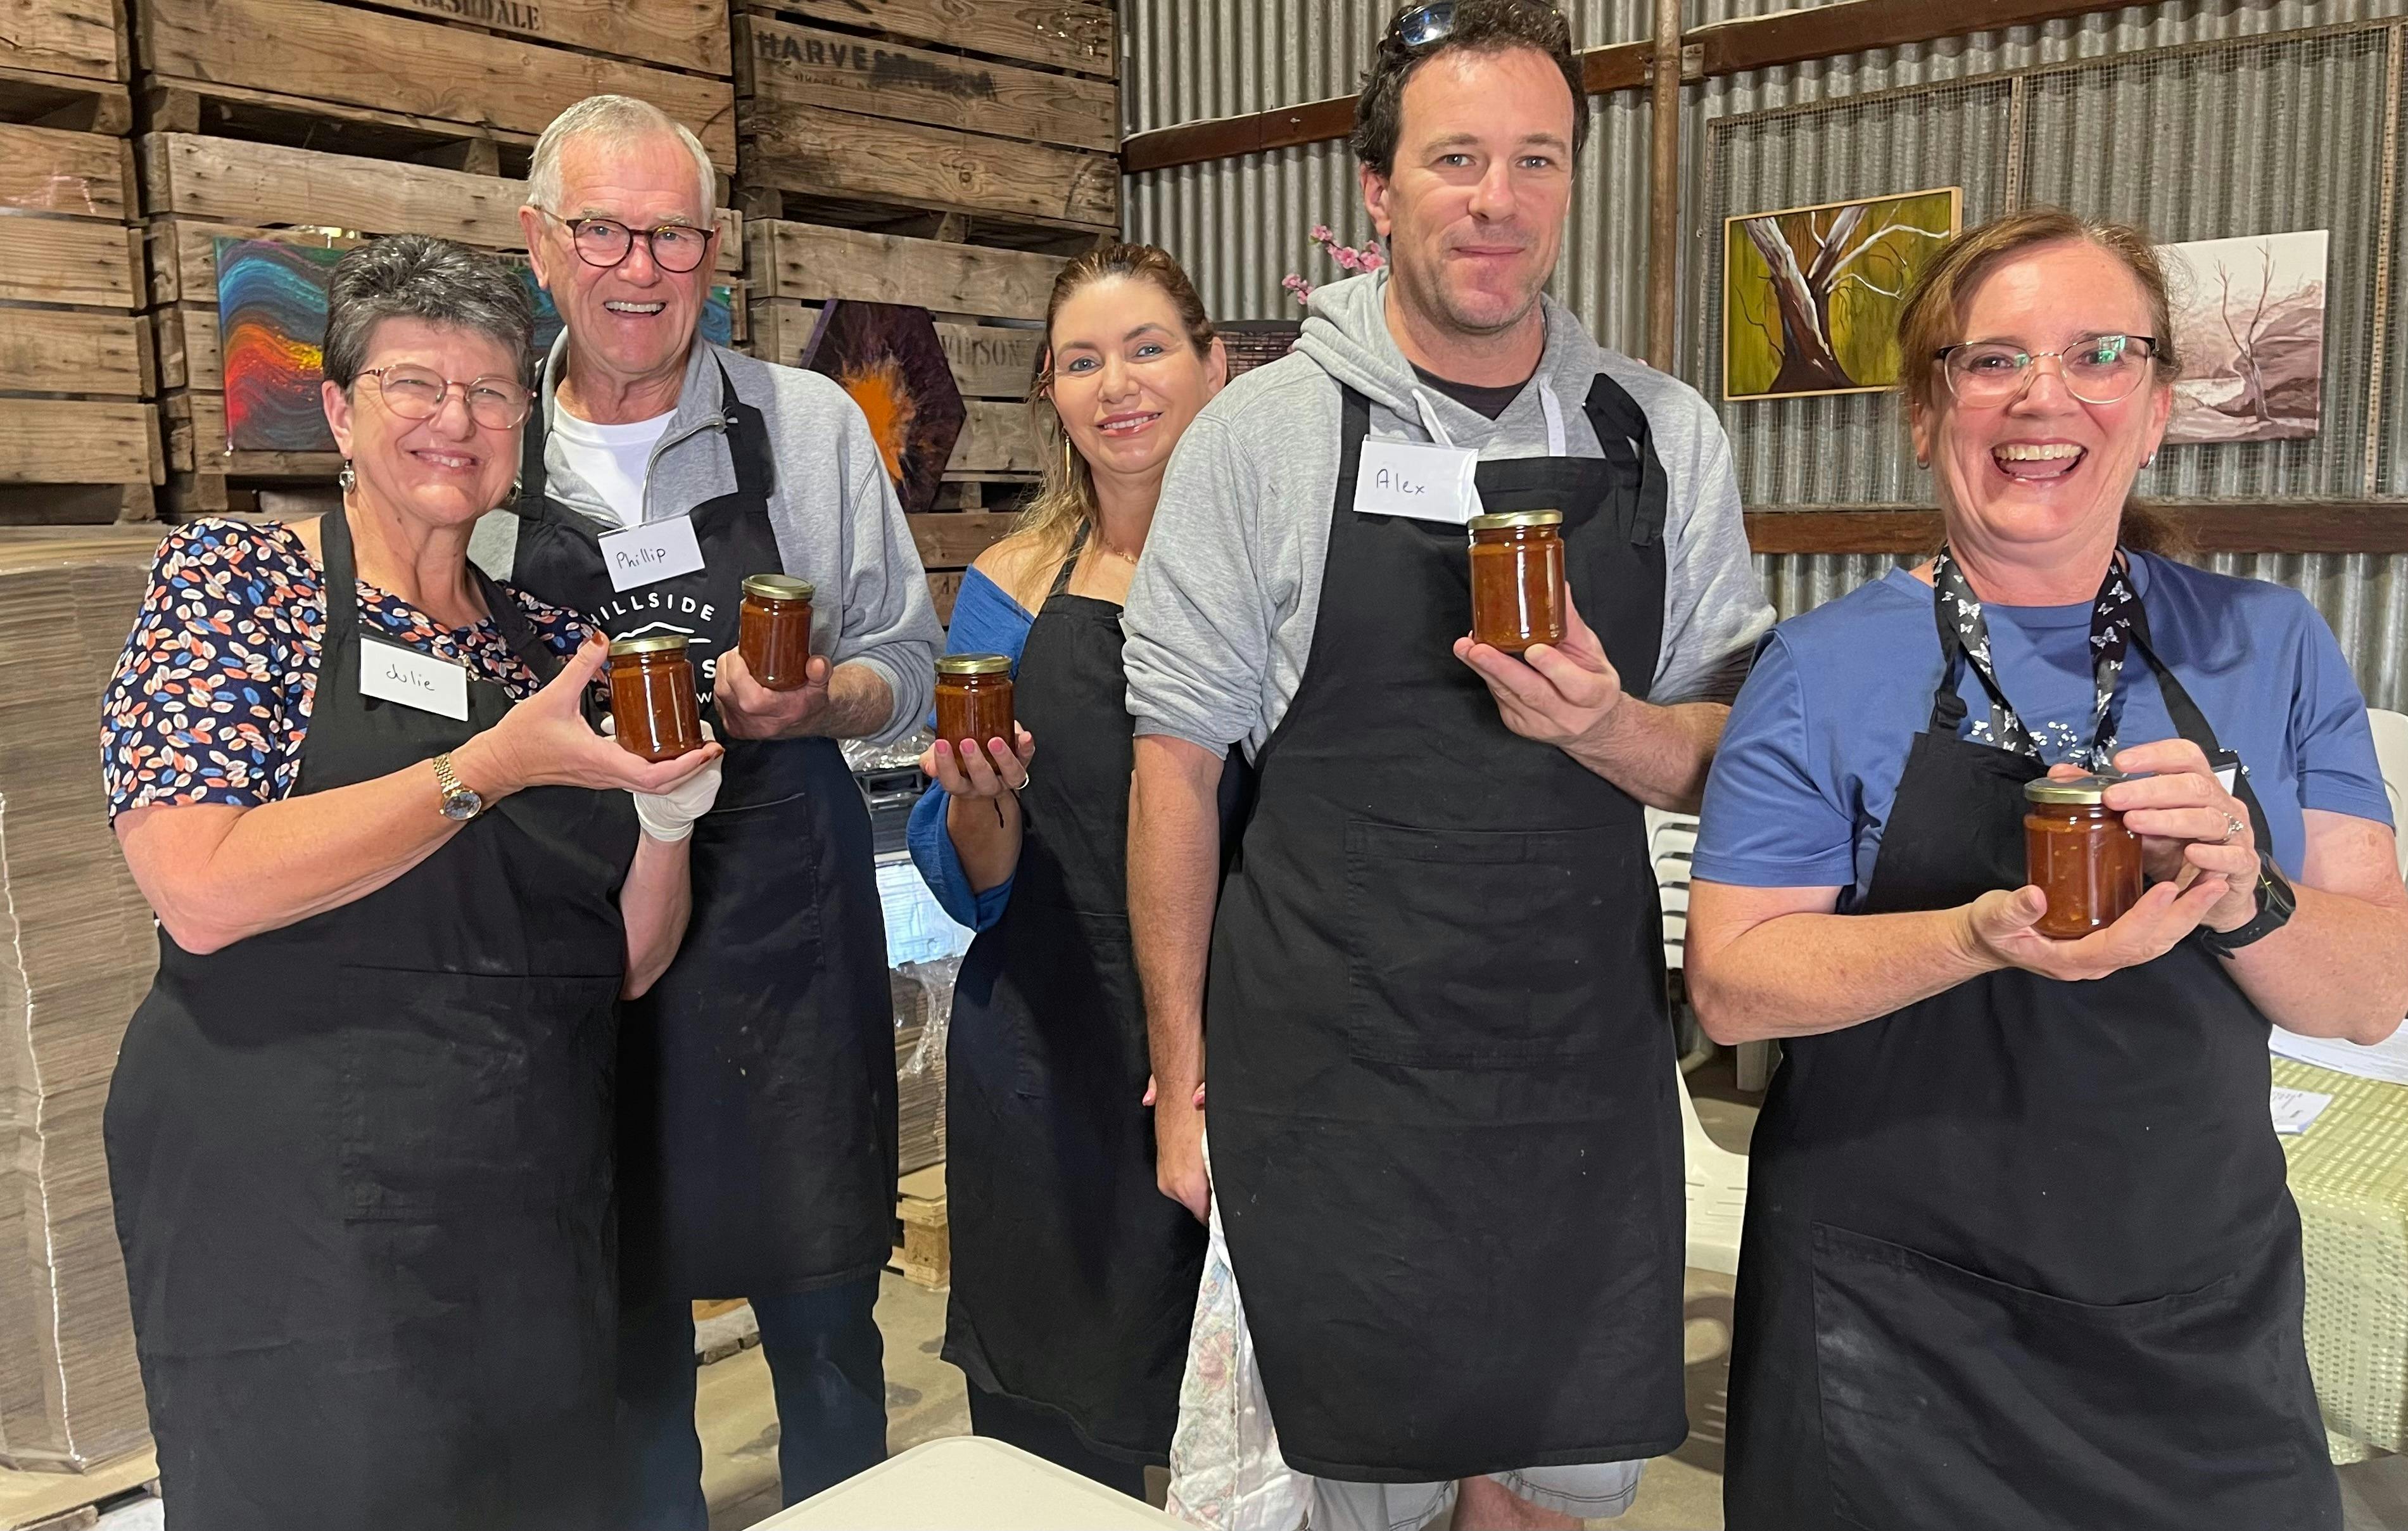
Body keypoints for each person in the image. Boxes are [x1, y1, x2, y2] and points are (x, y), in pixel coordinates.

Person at [1122, 4, 1773, 1526]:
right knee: (1363, 1491)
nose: (1495, 198)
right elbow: (1175, 769)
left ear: (1567, 185)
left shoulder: (1658, 435)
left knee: (1549, 1491)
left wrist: (1605, 726)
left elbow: (1729, 753)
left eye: (1533, 160)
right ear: (1377, 189)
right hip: (1326, 1077)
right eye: (1456, 157)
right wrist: (1176, 1074)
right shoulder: (1261, 437)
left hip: (1572, 1071)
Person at [1686, 208, 2408, 1531]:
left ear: (2154, 405)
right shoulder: (1821, 667)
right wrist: (1970, 937)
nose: (2042, 398)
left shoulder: (2268, 645)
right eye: (1990, 360)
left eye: (2095, 354)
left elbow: (2365, 996)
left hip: (2189, 1320)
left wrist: (2247, 889)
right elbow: (1731, 989)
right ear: (1924, 411)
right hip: (1884, 1331)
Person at [100, 234, 725, 1531]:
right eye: (412, 385)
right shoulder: (241, 587)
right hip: (292, 1213)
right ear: (337, 408)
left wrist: (666, 828)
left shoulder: (555, 644)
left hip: (524, 1199)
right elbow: (199, 889)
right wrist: (481, 770)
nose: (457, 419)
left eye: (492, 390)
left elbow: (620, 962)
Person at [469, 95, 942, 1524]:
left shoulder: (799, 426)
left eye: (671, 232)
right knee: (619, 1325)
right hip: (571, 940)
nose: (639, 266)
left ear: (714, 248)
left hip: (779, 930)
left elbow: (905, 665)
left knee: (819, 1315)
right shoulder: (488, 456)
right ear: (538, 241)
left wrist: (822, 706)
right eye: (603, 228)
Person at [908, 244, 1231, 1494]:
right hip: (1046, 1065)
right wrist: (978, 809)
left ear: (1212, 365)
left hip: (1234, 1062)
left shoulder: (1284, 576)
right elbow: (967, 881)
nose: (1117, 385)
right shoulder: (1007, 586)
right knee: (1049, 1458)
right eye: (1081, 361)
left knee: (1234, 1448)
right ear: (1049, 391)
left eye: (1147, 348)